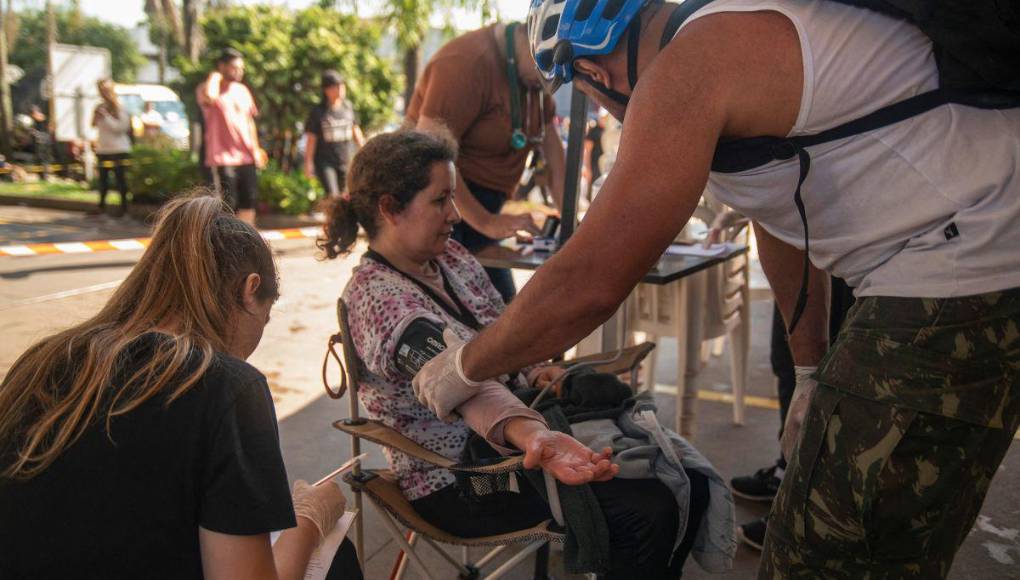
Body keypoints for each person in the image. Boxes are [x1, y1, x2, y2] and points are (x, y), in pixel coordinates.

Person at [413, 1, 1020, 578]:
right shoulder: (729, 35)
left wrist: (465, 366)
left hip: (960, 269)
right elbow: (784, 218)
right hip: (976, 256)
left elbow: (589, 281)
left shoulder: (690, 66)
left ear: (594, 72)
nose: (602, 111)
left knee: (825, 557)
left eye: (590, 97)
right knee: (889, 538)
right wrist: (809, 369)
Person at [319, 130, 716, 577]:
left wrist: (538, 371)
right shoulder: (380, 301)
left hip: (513, 441)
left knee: (689, 480)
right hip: (462, 479)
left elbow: (500, 329)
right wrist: (533, 436)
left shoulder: (450, 257)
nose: (454, 215)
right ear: (390, 208)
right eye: (440, 200)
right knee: (649, 507)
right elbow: (460, 384)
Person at [0, 196, 361, 580]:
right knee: (336, 561)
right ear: (249, 290)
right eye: (265, 318)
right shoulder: (227, 387)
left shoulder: (43, 359)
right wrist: (309, 518)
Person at [405, 21, 567, 304]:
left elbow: (555, 159)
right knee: (473, 318)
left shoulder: (536, 78)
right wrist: (488, 222)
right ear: (534, 42)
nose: (553, 80)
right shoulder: (464, 63)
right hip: (440, 209)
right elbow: (428, 159)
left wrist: (572, 225)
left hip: (483, 213)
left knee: (504, 312)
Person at [197, 48, 267, 225]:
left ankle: (246, 239)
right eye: (234, 67)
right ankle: (228, 241)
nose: (239, 72)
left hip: (245, 156)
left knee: (249, 201)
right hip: (223, 158)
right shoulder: (208, 88)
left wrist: (256, 149)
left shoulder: (242, 90)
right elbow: (209, 96)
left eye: (241, 68)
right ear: (222, 66)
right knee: (228, 204)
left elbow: (249, 122)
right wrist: (215, 76)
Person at [303, 70, 365, 198]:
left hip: (345, 159)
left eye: (342, 86)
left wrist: (365, 150)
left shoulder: (348, 108)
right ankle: (332, 217)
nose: (340, 90)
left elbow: (356, 130)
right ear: (326, 90)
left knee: (345, 196)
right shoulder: (318, 112)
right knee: (332, 195)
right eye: (336, 86)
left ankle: (340, 218)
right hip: (325, 161)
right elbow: (311, 138)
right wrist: (308, 162)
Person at [91, 79, 132, 216]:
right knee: (103, 181)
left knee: (121, 181)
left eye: (105, 90)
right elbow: (94, 125)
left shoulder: (120, 107)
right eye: (101, 90)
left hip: (119, 149)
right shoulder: (100, 106)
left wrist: (107, 116)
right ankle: (101, 206)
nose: (103, 93)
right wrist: (97, 116)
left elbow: (121, 128)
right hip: (103, 149)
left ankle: (124, 208)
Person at [28, 104, 51, 182]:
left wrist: (37, 134)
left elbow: (48, 133)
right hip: (38, 144)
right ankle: (41, 177)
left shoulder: (45, 120)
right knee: (38, 160)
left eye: (33, 114)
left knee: (44, 160)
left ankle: (45, 177)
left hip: (45, 143)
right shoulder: (35, 121)